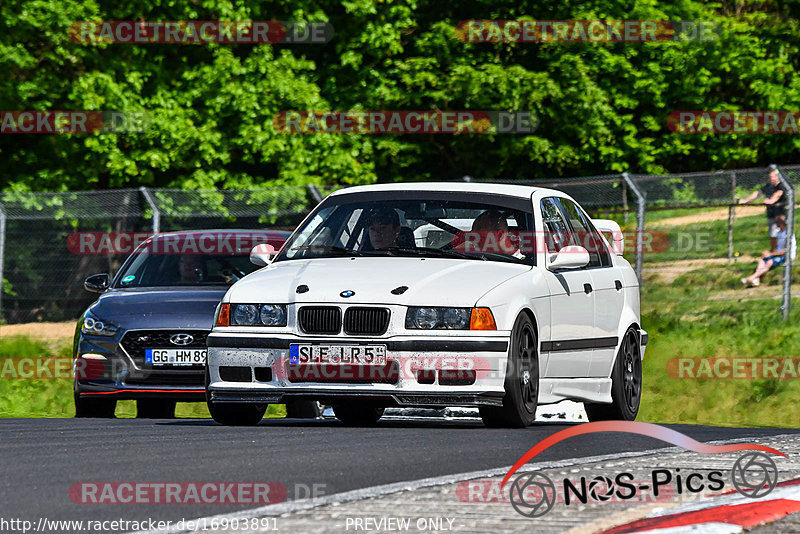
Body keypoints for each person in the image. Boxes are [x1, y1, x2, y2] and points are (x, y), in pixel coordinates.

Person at [742, 214, 796, 287]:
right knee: (761, 261)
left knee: (769, 262)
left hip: (786, 256)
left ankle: (752, 277)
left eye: (776, 223)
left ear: (780, 223)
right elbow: (776, 246)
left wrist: (771, 254)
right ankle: (756, 280)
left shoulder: (787, 234)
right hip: (778, 254)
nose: (775, 224)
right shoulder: (779, 232)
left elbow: (784, 251)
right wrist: (769, 252)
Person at [739, 170, 786, 251]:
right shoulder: (768, 186)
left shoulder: (781, 186)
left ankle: (782, 251)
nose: (771, 179)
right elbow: (758, 193)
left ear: (777, 176)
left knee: (782, 233)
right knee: (772, 234)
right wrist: (745, 200)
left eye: (773, 176)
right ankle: (773, 251)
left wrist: (771, 201)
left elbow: (778, 194)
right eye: (770, 177)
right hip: (771, 214)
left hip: (780, 215)